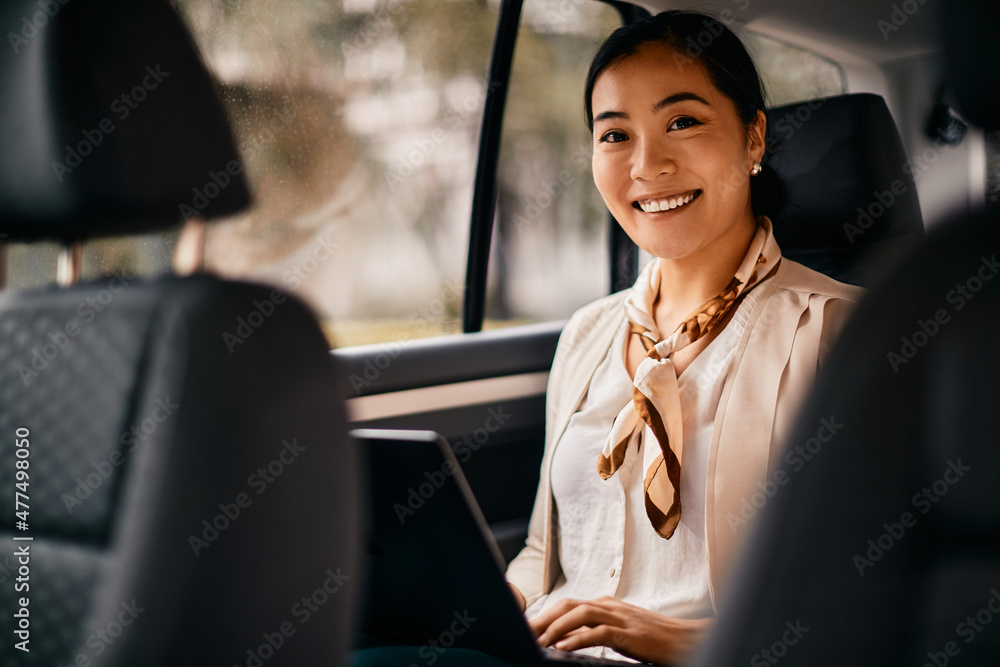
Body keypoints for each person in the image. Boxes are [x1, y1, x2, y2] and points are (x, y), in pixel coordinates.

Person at [504, 10, 863, 665]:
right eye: (615, 135)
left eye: (683, 122)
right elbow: (541, 553)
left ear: (754, 137)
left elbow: (870, 602)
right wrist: (497, 605)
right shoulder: (587, 334)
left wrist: (674, 638)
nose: (648, 164)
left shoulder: (841, 331)